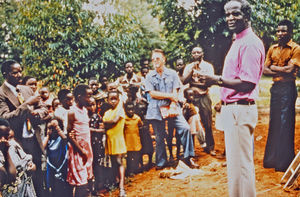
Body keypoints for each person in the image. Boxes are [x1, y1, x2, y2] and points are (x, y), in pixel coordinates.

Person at [198, 0, 265, 196]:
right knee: (236, 167)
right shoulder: (238, 41)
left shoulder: (250, 43)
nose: (230, 18)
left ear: (247, 16)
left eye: (235, 14)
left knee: (242, 167)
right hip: (233, 109)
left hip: (240, 109)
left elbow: (247, 83)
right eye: (227, 14)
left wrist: (216, 80)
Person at [0, 60, 48, 197]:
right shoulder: (2, 93)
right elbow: (5, 117)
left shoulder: (26, 89)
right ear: (5, 74)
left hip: (34, 139)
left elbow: (43, 107)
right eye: (15, 72)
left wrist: (37, 112)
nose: (19, 75)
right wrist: (27, 104)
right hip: (17, 143)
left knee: (38, 177)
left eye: (20, 71)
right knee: (21, 180)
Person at [144, 49, 197, 170]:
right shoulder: (149, 76)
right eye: (153, 59)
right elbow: (152, 94)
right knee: (159, 136)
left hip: (172, 106)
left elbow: (175, 90)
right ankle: (161, 162)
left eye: (157, 58)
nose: (155, 61)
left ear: (164, 59)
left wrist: (173, 104)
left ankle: (188, 157)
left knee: (185, 128)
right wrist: (170, 96)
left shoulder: (172, 74)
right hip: (156, 109)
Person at [263, 19, 300, 172]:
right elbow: (264, 70)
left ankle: (283, 162)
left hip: (288, 88)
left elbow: (291, 70)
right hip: (276, 88)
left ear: (290, 32)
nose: (280, 33)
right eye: (278, 31)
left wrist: (273, 67)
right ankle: (271, 159)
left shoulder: (296, 48)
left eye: (283, 31)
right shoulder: (272, 48)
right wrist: (281, 68)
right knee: (275, 121)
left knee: (286, 123)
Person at [182, 46, 216, 156]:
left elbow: (208, 83)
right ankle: (191, 150)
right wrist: (192, 70)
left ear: (202, 54)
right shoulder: (189, 67)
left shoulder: (208, 66)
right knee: (190, 122)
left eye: (198, 52)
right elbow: (184, 81)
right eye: (194, 52)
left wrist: (193, 84)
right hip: (192, 98)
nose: (196, 54)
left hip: (204, 96)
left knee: (207, 122)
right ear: (191, 54)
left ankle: (210, 147)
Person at [66, 84, 93, 197]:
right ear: (79, 96)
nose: (90, 99)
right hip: (78, 151)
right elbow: (69, 134)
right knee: (81, 183)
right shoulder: (72, 112)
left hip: (87, 149)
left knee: (87, 178)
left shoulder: (85, 111)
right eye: (88, 96)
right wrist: (81, 150)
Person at [0, 118, 37, 197]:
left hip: (25, 191)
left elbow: (28, 160)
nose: (3, 139)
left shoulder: (12, 145)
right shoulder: (4, 150)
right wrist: (5, 152)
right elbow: (11, 176)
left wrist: (32, 167)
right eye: (0, 136)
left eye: (6, 136)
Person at [103, 91, 127, 197]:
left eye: (115, 99)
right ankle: (117, 181)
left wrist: (106, 123)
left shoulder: (120, 110)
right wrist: (107, 123)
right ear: (107, 100)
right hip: (110, 140)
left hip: (118, 140)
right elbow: (105, 124)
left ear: (118, 100)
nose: (113, 101)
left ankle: (122, 187)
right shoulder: (107, 112)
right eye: (111, 99)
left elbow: (114, 121)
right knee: (113, 161)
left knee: (119, 161)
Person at [86, 97, 111, 195]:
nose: (92, 107)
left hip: (97, 145)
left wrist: (92, 130)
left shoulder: (97, 117)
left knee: (98, 165)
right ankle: (90, 188)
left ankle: (99, 186)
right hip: (87, 145)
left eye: (93, 105)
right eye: (89, 105)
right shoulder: (83, 117)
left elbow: (103, 130)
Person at [43, 117, 71, 197]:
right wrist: (48, 135)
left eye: (54, 127)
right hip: (52, 166)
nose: (53, 130)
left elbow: (65, 139)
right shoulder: (48, 140)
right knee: (53, 187)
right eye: (50, 128)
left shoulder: (61, 138)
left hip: (62, 165)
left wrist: (58, 129)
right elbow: (42, 147)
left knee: (64, 186)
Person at [124, 101, 143, 176]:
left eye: (132, 110)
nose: (131, 111)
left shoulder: (137, 118)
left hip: (136, 140)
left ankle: (136, 169)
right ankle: (129, 171)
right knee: (129, 158)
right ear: (126, 110)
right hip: (128, 142)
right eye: (129, 110)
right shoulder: (124, 119)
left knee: (136, 156)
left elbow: (140, 125)